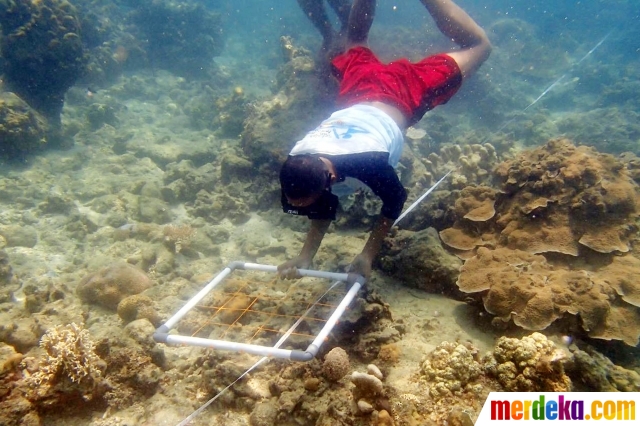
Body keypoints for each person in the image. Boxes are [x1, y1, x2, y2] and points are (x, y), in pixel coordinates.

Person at [279, 0, 491, 279]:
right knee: (355, 39)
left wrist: (368, 255)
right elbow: (322, 206)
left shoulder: (370, 164)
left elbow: (395, 201)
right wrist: (305, 256)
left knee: (480, 46)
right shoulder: (296, 164)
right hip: (359, 88)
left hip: (406, 93)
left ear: (330, 178)